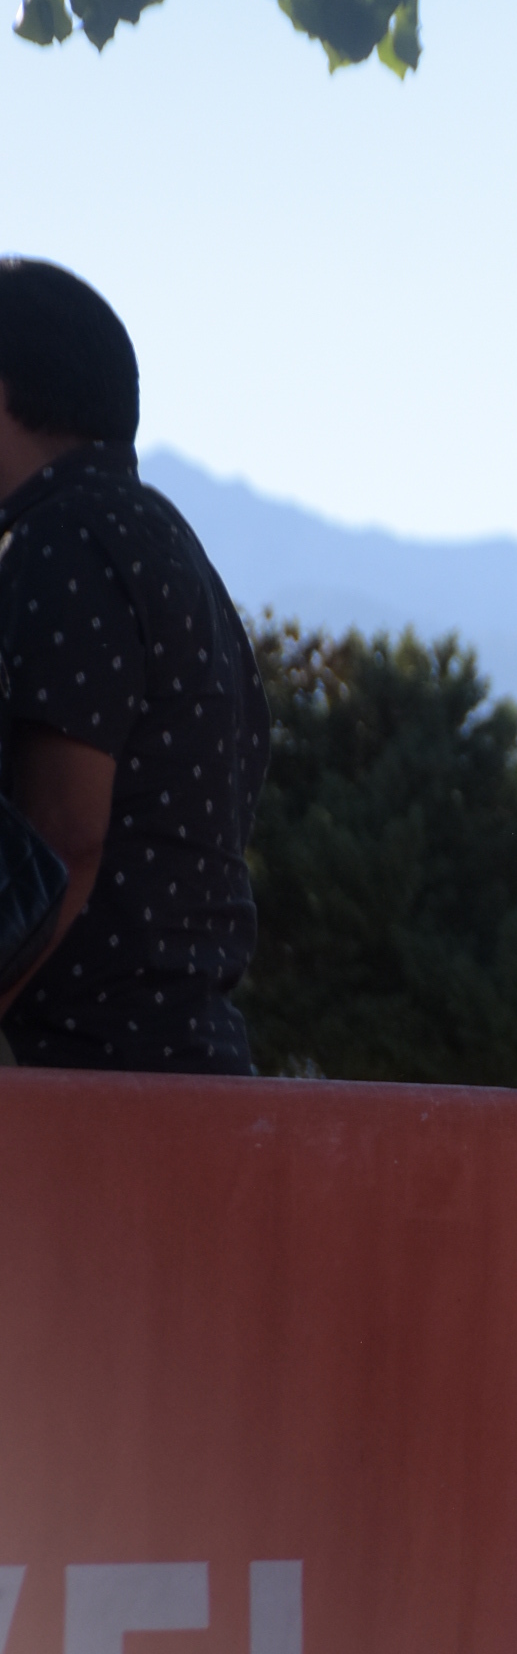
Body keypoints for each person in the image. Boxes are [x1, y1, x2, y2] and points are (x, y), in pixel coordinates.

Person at [0, 259, 268, 1071]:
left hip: (89, 1079)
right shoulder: (161, 538)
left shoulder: (61, 540)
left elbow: (62, 838)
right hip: (180, 1068)